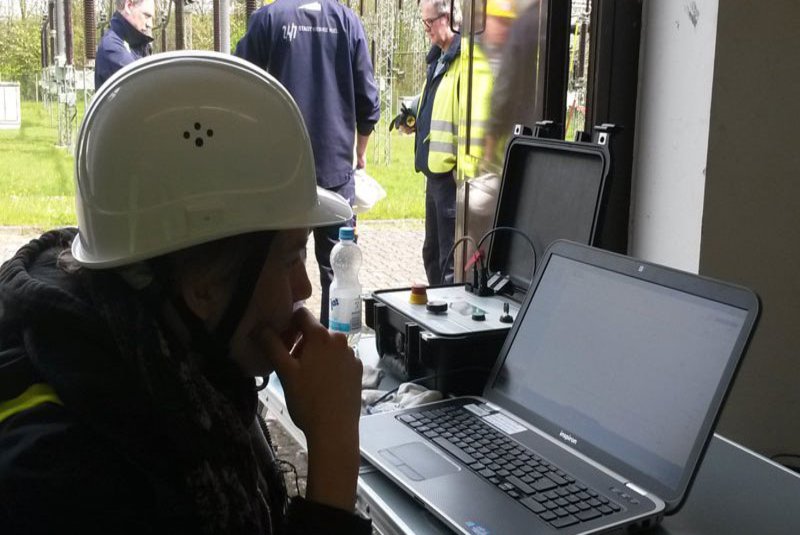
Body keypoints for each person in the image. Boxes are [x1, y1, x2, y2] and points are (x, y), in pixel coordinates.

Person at [0, 52, 370, 534]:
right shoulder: (60, 479)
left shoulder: (166, 365)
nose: (303, 288)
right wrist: (334, 447)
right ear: (203, 285)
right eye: (289, 258)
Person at [235, 0, 380, 327]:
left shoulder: (269, 19)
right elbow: (368, 101)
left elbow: (239, 84)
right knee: (340, 271)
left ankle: (278, 344)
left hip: (280, 172)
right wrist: (360, 152)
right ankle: (337, 344)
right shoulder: (347, 21)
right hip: (336, 170)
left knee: (277, 265)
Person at [401, 0, 492, 286]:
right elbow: (439, 104)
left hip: (452, 181)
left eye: (429, 22)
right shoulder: (441, 58)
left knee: (448, 262)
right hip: (435, 176)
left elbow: (476, 125)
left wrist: (462, 176)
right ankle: (437, 304)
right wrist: (415, 117)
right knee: (432, 253)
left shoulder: (469, 61)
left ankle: (446, 310)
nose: (425, 29)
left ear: (450, 17)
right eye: (424, 23)